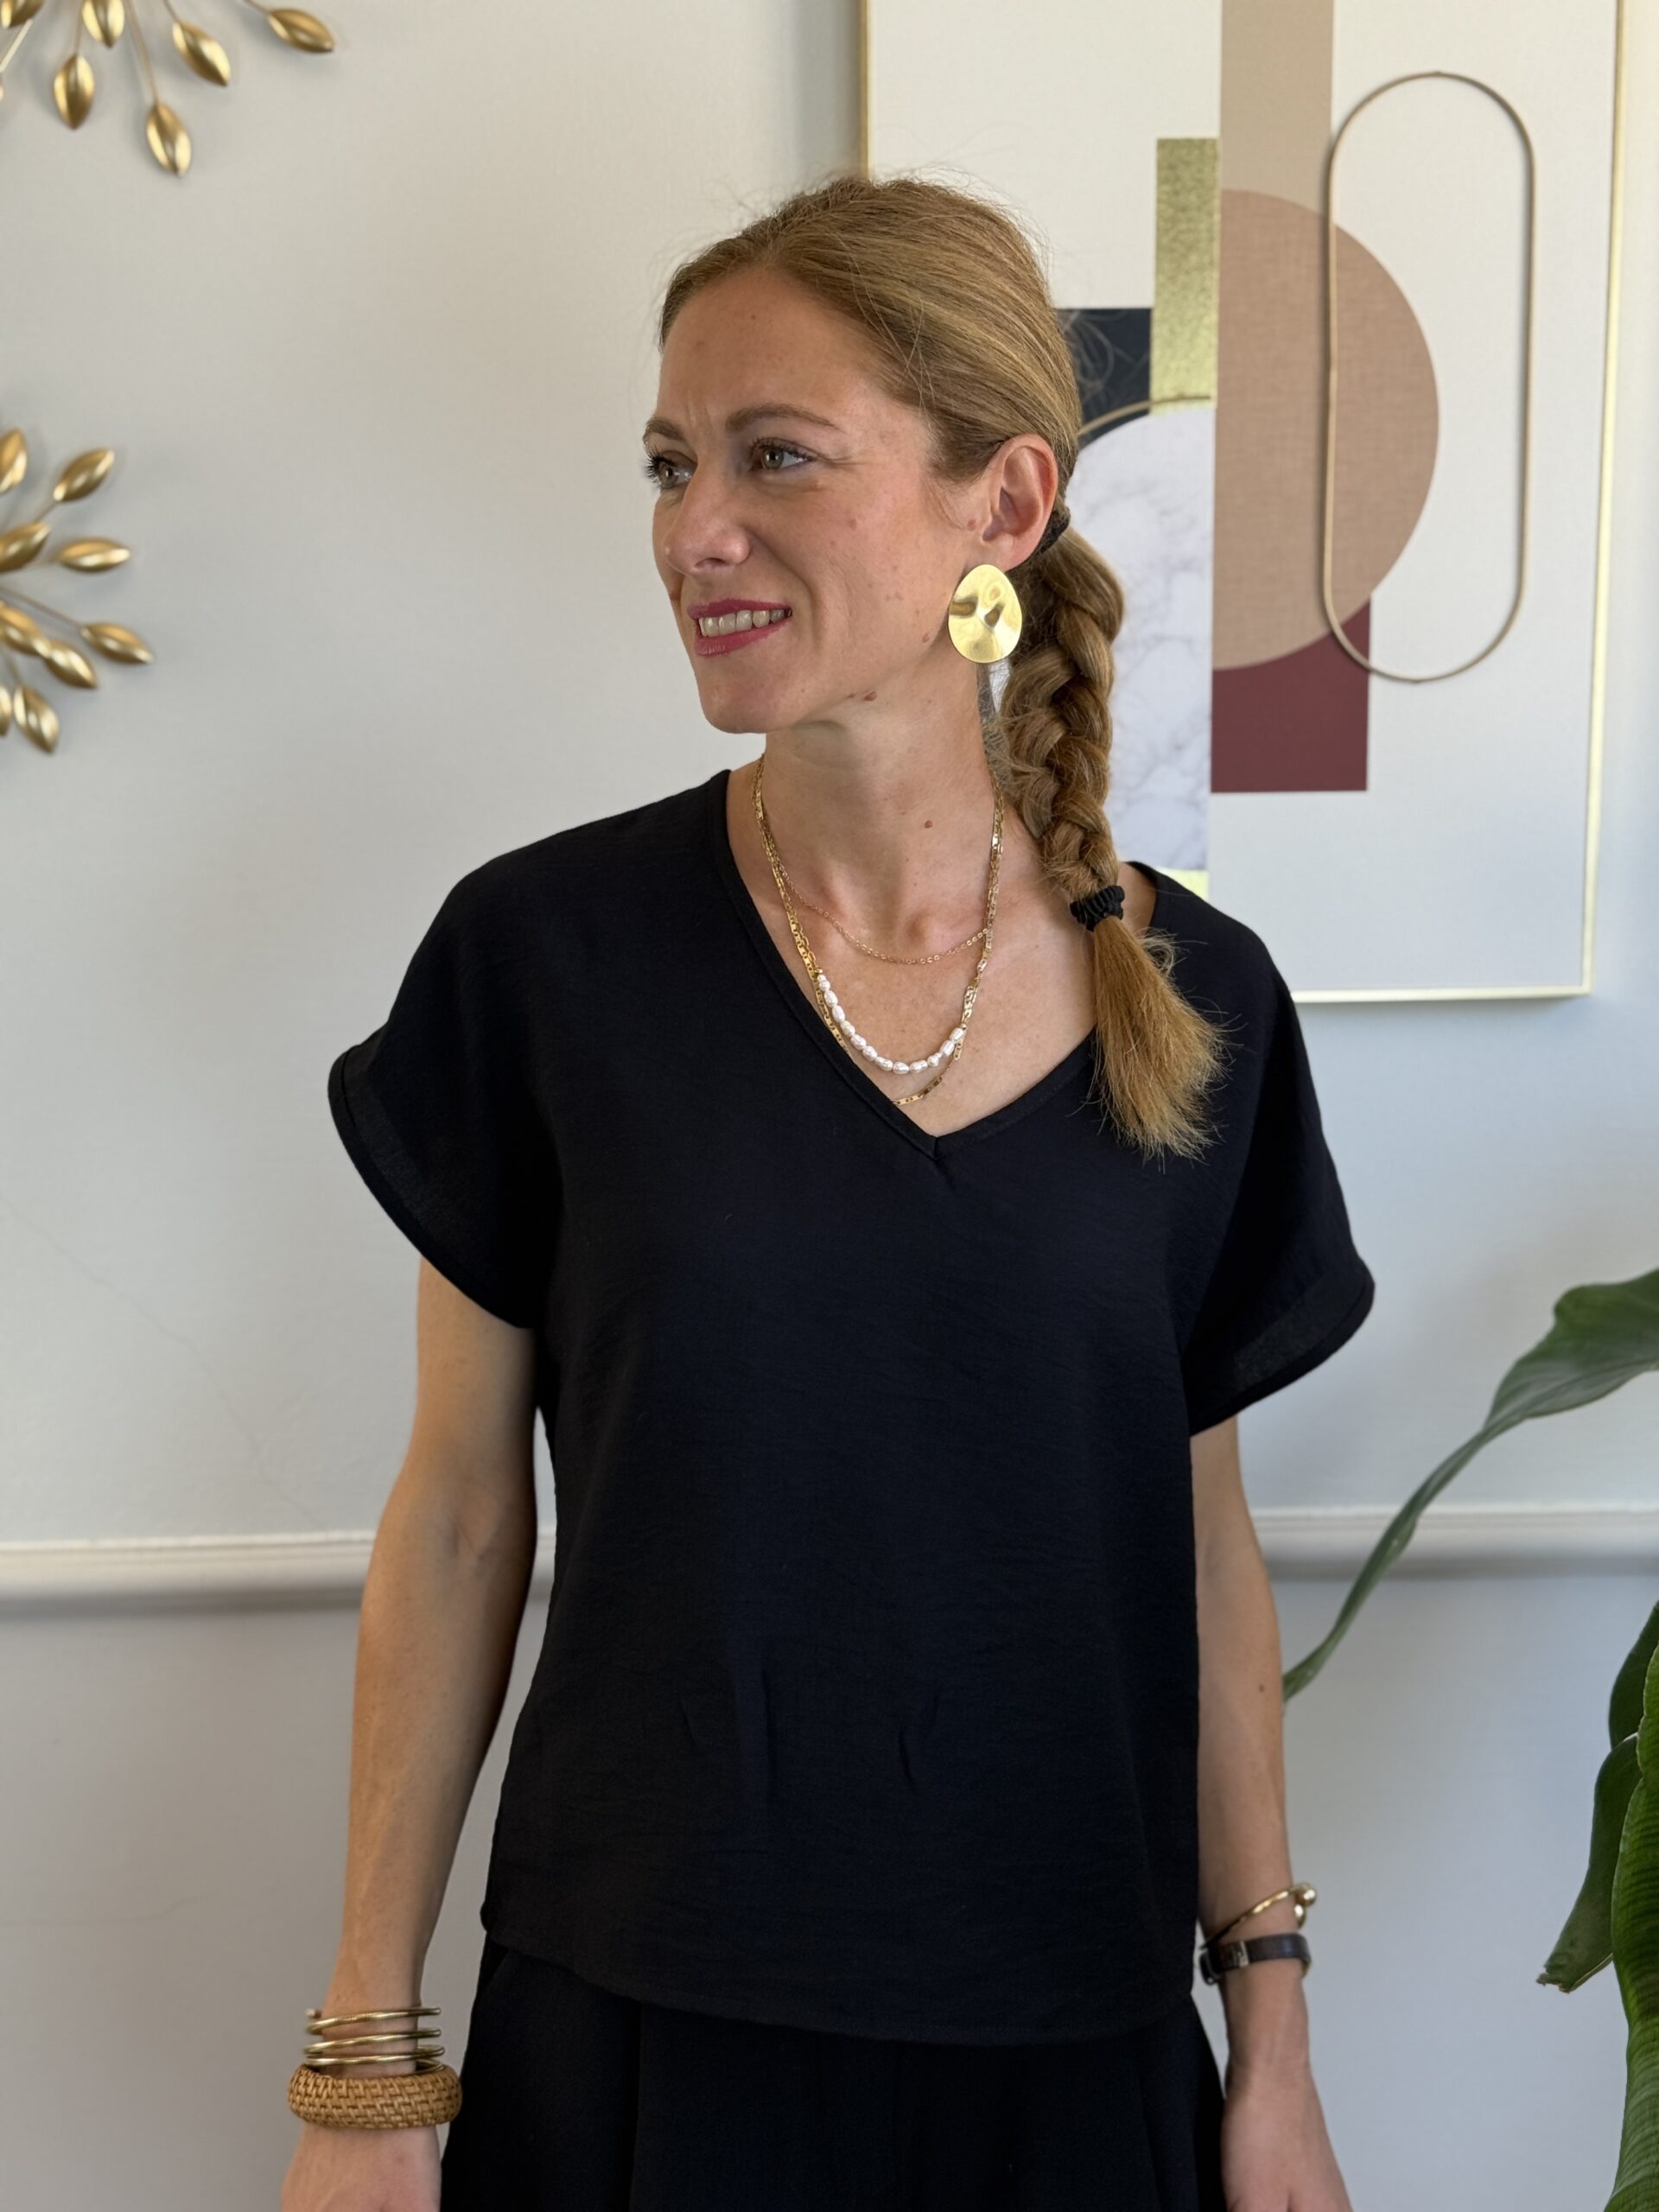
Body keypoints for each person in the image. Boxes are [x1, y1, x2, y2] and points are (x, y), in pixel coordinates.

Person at [282, 172, 1376, 2212]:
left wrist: (1278, 2045)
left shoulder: (1201, 1001)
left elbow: (1203, 1549)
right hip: (634, 2040)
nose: (695, 528)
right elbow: (457, 1516)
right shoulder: (543, 959)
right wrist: (366, 2059)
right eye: (670, 463)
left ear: (1005, 504)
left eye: (776, 456)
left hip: (1076, 2049)